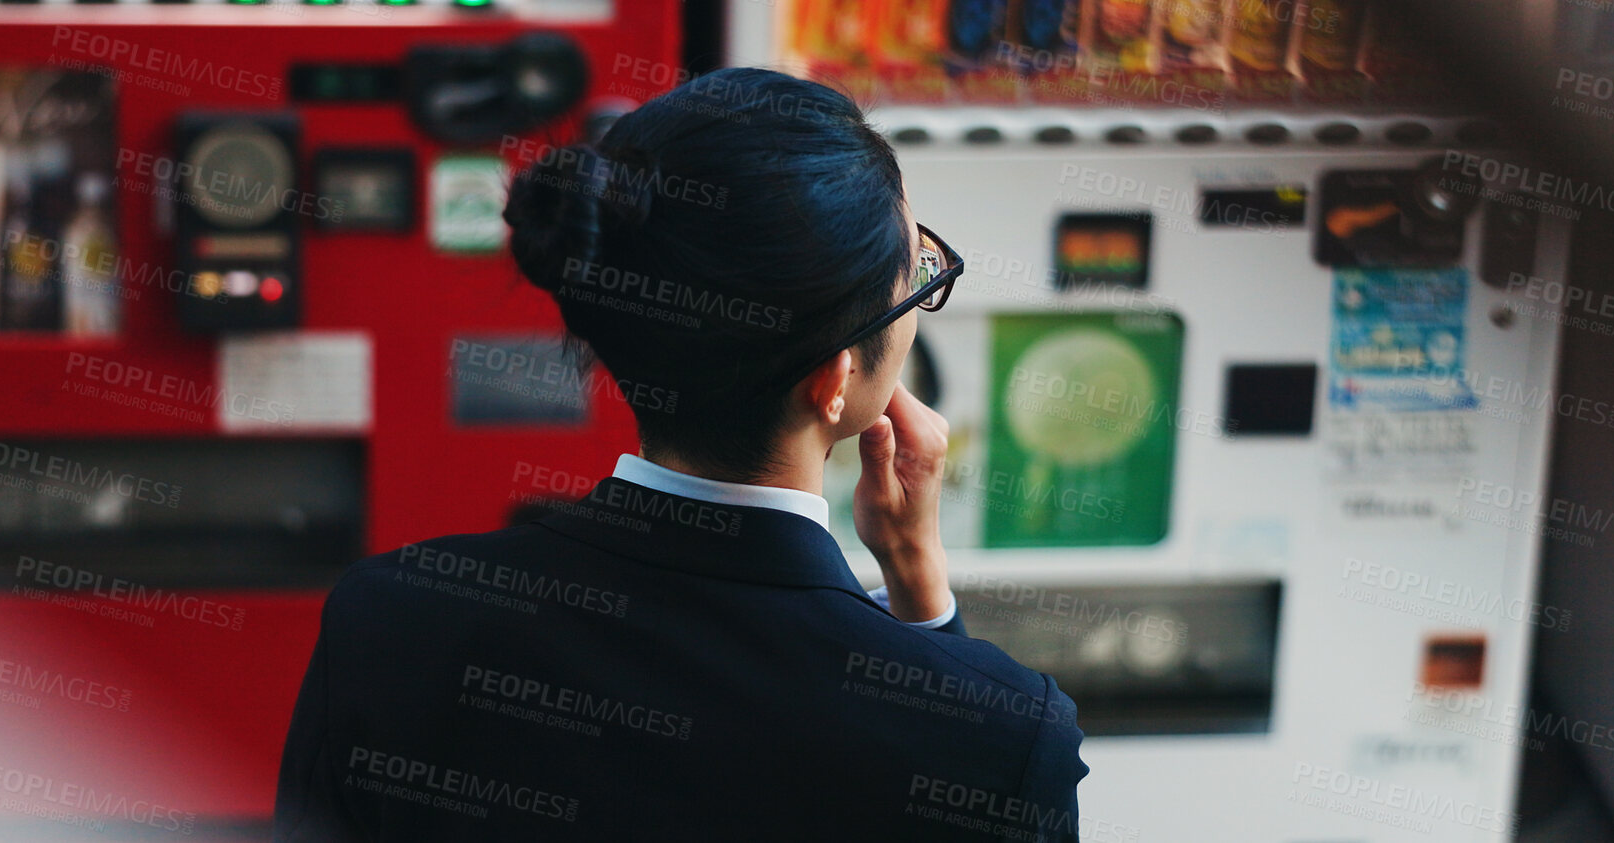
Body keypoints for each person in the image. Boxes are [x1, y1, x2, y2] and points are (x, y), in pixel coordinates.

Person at [272, 68, 1088, 841]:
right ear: (835, 377)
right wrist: (920, 589)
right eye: (915, 273)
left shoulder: (388, 618)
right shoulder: (1003, 736)